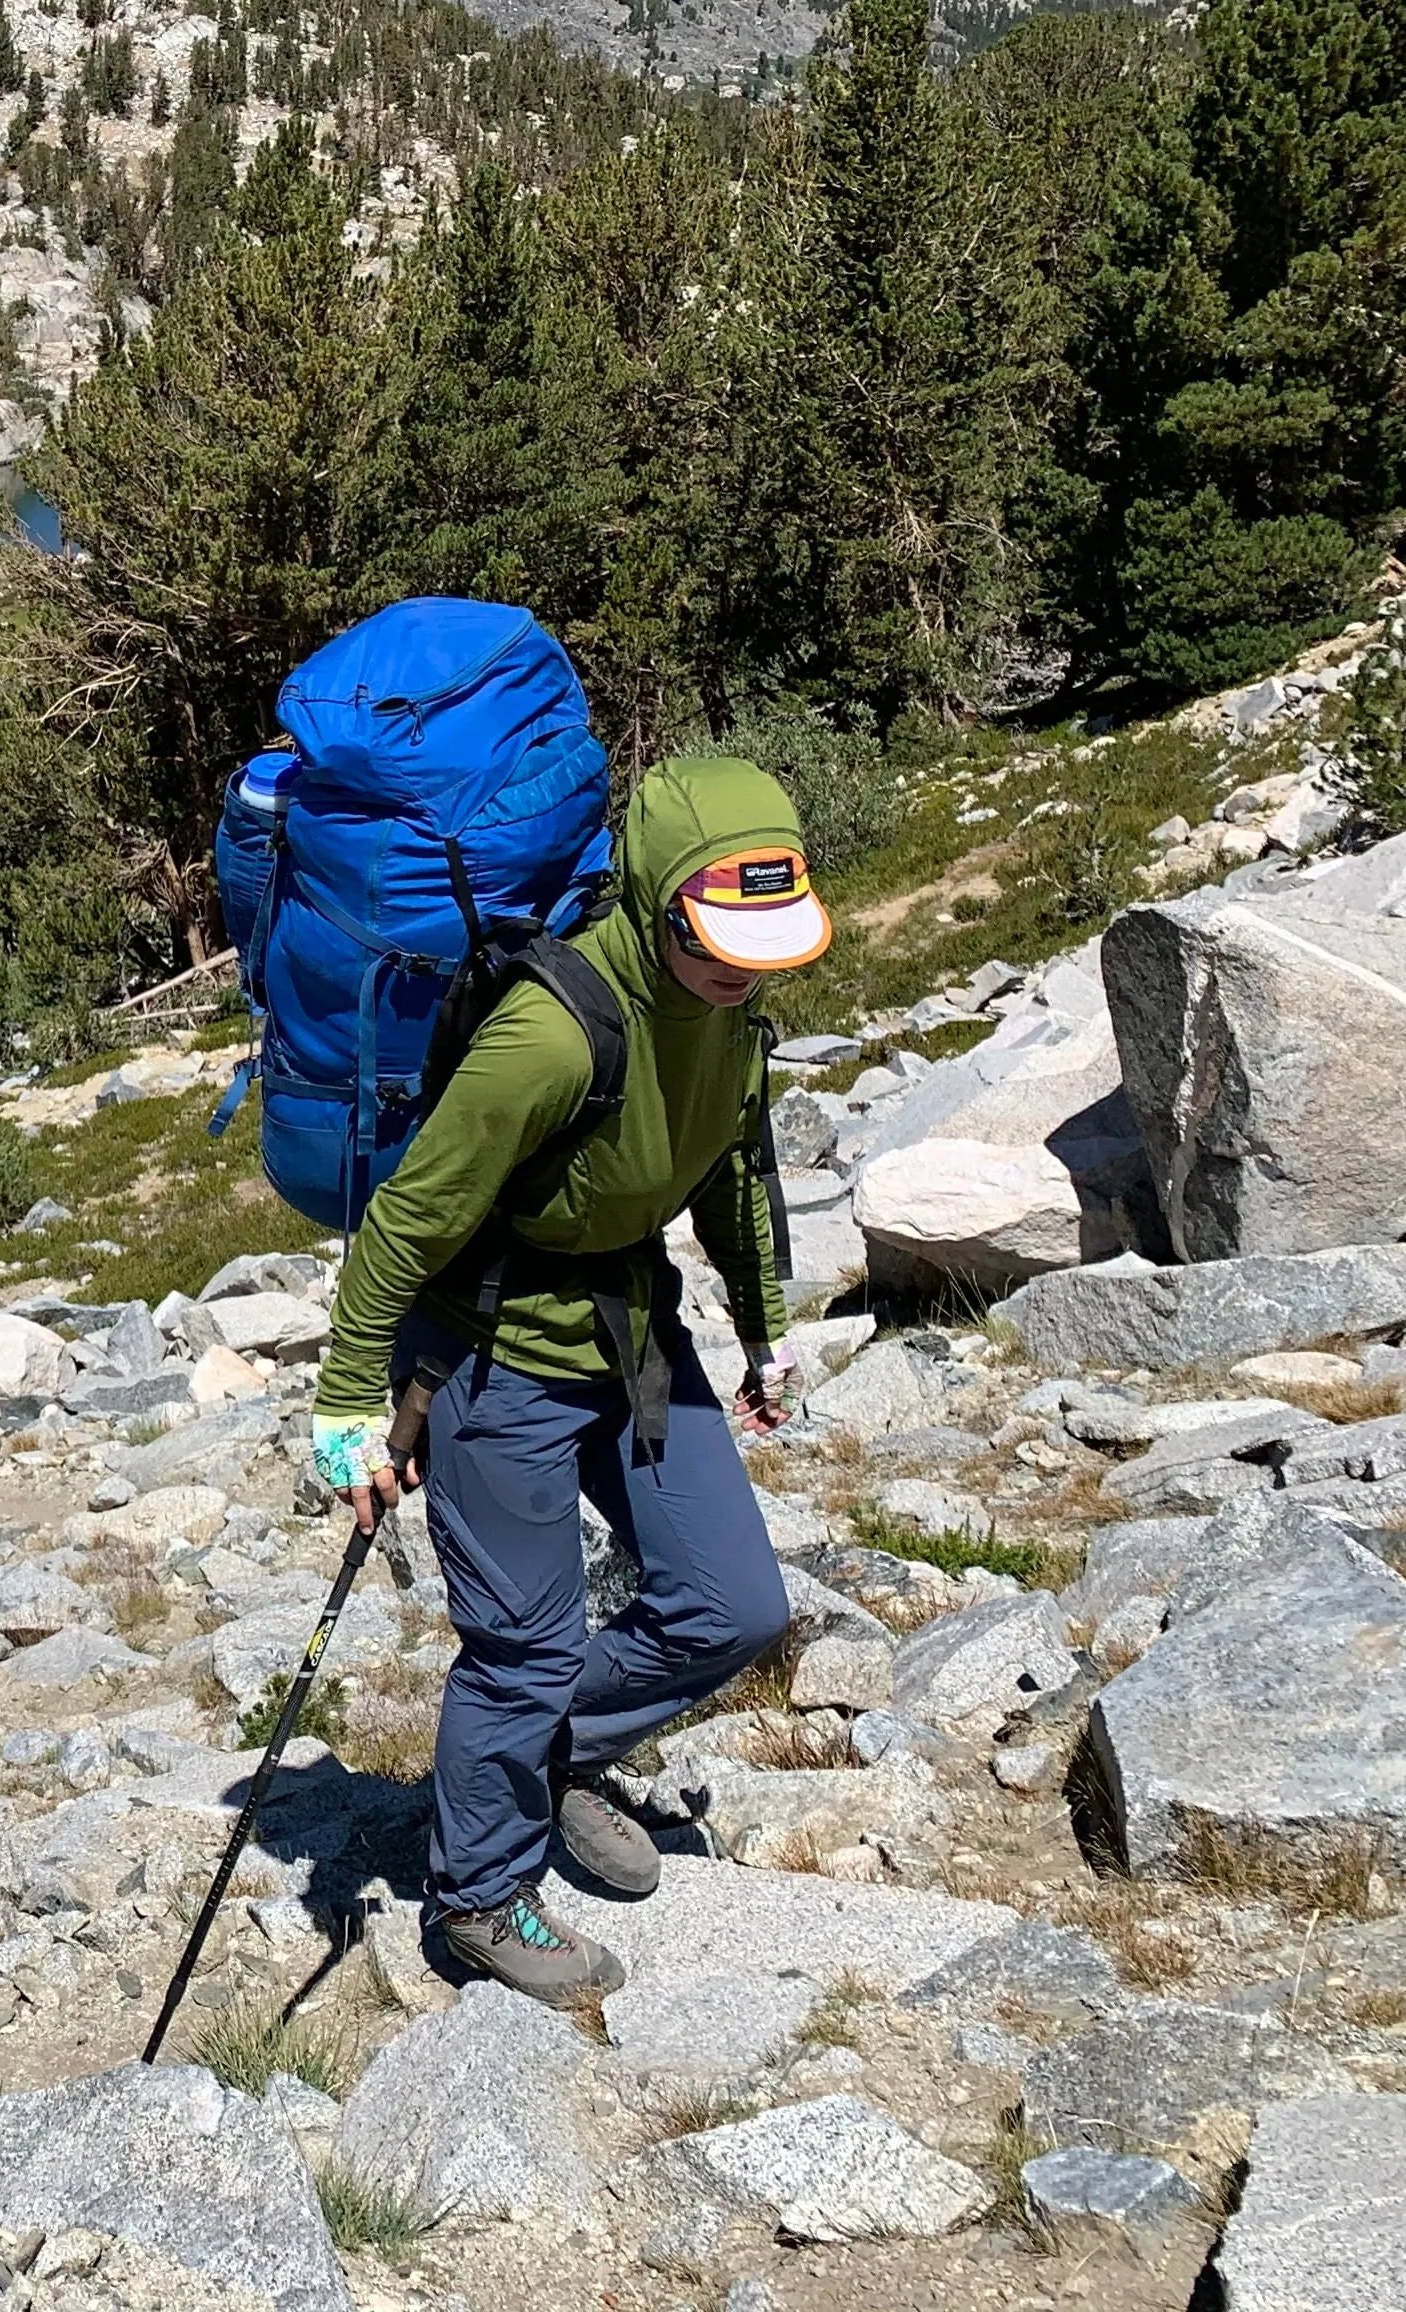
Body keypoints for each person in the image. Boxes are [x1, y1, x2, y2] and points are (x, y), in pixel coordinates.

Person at [303, 753, 825, 2006]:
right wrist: (343, 1404)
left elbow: (730, 1177)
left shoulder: (734, 1017)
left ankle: (545, 1764)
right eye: (716, 947)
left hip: (633, 1331)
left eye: (764, 951)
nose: (741, 973)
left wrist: (765, 1332)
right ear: (654, 907)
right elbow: (409, 1220)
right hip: (495, 1355)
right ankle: (478, 1898)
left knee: (735, 1604)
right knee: (524, 1645)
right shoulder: (552, 1030)